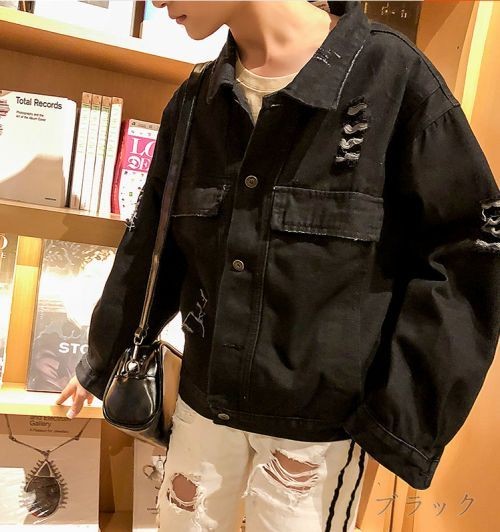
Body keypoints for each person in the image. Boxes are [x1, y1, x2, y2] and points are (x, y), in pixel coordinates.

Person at [56, 1, 500, 531]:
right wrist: (103, 359)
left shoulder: (392, 78)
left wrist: (401, 412)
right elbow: (152, 243)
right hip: (202, 407)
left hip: (317, 434)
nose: (154, 2)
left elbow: (471, 246)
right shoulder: (196, 102)